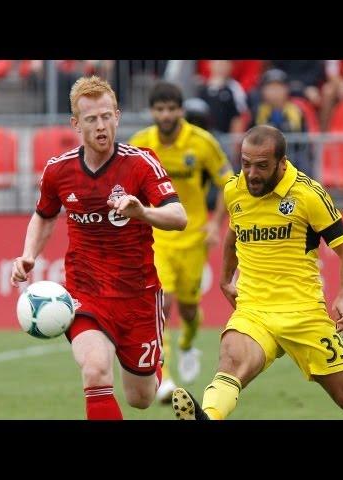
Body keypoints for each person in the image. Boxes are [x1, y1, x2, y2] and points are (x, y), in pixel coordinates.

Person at [171, 125, 343, 420]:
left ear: (281, 162)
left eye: (261, 166)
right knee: (231, 361)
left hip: (303, 314)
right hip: (254, 310)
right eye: (246, 163)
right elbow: (233, 233)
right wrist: (225, 279)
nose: (251, 174)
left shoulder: (307, 194)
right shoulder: (234, 190)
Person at [10, 76, 187, 420]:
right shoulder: (58, 170)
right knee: (95, 371)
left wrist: (143, 212)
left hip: (138, 296)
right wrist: (29, 254)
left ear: (117, 116)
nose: (101, 125)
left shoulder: (140, 163)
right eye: (91, 119)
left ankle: (154, 372)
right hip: (85, 293)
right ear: (76, 124)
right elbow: (44, 216)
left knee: (141, 398)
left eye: (107, 116)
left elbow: (179, 217)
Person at [129, 81, 233, 403]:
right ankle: (164, 378)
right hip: (156, 236)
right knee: (161, 305)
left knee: (188, 310)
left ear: (180, 110)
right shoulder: (141, 143)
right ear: (152, 112)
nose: (165, 115)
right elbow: (127, 186)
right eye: (159, 109)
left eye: (171, 109)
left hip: (193, 235)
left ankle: (188, 343)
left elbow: (229, 184)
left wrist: (216, 225)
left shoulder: (201, 143)